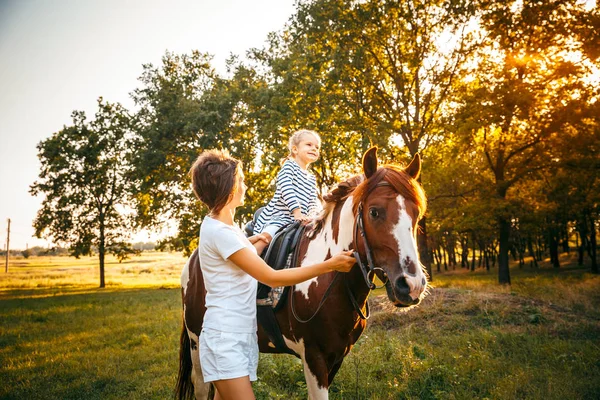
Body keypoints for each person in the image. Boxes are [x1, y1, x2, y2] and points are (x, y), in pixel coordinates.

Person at [189, 149, 355, 400]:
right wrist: (329, 265)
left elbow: (242, 259)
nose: (245, 185)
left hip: (237, 335)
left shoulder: (226, 227)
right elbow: (271, 277)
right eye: (241, 180)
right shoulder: (220, 232)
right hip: (225, 339)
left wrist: (258, 241)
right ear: (229, 189)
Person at [252, 129, 322, 255]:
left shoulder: (312, 178)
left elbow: (313, 201)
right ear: (295, 149)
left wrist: (313, 216)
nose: (314, 149)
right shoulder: (289, 166)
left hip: (301, 220)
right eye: (309, 145)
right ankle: (250, 264)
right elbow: (286, 189)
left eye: (317, 147)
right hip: (280, 217)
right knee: (266, 238)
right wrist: (297, 212)